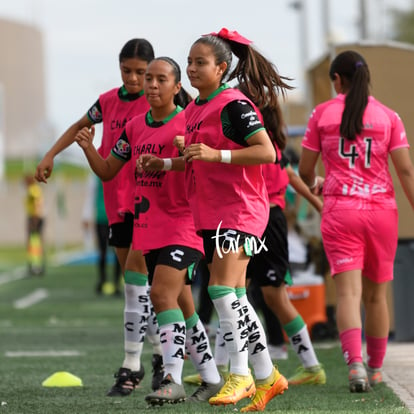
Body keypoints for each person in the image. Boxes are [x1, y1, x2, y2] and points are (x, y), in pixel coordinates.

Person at [75, 56, 223, 405]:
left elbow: (203, 166)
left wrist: (178, 158)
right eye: (150, 79)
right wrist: (87, 148)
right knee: (184, 306)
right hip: (148, 231)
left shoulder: (189, 123)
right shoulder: (135, 127)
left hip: (184, 227)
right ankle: (212, 377)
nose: (152, 85)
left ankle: (171, 377)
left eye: (160, 79)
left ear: (176, 87)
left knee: (159, 295)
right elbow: (109, 170)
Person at [34, 38, 163, 395]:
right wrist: (50, 155)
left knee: (139, 284)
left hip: (149, 201)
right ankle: (159, 356)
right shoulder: (107, 101)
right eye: (128, 71)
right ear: (119, 67)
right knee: (137, 285)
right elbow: (79, 125)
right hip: (114, 197)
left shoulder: (160, 101)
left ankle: (132, 366)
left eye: (142, 72)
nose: (135, 79)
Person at [180, 28, 290, 411]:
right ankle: (268, 375)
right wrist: (162, 162)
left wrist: (217, 156)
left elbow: (266, 152)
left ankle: (240, 374)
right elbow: (199, 155)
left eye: (200, 62)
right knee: (237, 298)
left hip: (240, 210)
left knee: (221, 292)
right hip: (211, 212)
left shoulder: (234, 104)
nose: (191, 68)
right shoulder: (195, 108)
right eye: (190, 61)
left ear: (221, 67)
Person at [298, 50, 414, 393]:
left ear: (337, 80)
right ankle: (377, 370)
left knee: (348, 294)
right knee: (377, 297)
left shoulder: (322, 114)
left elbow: (305, 170)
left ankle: (356, 368)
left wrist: (318, 181)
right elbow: (405, 170)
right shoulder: (388, 117)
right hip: (381, 213)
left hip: (341, 212)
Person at [82, 174, 122, 295]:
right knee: (103, 251)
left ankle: (116, 282)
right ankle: (103, 280)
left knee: (118, 252)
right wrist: (86, 215)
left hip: (117, 216)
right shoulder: (96, 175)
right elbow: (91, 196)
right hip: (102, 217)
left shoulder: (119, 171)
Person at [24, 174, 45, 275]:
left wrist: (34, 219)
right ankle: (35, 265)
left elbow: (37, 204)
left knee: (35, 242)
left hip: (34, 218)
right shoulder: (33, 189)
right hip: (33, 217)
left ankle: (36, 265)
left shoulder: (33, 190)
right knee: (34, 242)